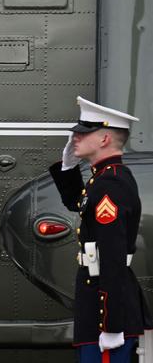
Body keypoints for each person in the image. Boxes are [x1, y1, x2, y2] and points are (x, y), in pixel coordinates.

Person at [49, 96, 152, 363]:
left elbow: (112, 258)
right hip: (97, 306)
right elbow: (78, 203)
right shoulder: (104, 178)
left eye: (83, 133)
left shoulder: (111, 184)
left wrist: (111, 325)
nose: (75, 138)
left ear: (104, 139)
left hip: (105, 313)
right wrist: (68, 167)